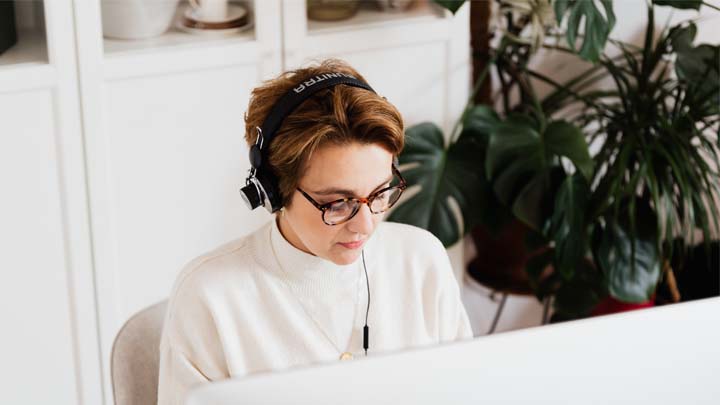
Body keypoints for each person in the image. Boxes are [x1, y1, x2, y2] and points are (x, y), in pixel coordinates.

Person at [157, 59, 472, 404]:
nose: (365, 224)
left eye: (380, 193)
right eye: (337, 203)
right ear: (274, 191)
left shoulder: (421, 259)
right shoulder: (211, 296)